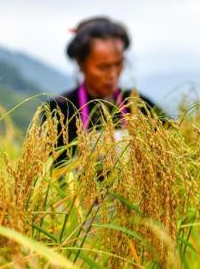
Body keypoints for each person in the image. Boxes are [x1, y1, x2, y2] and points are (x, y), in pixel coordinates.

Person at [42, 16, 167, 167]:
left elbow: (169, 148)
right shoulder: (61, 109)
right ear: (81, 64)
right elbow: (52, 169)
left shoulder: (138, 104)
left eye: (118, 64)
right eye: (103, 67)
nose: (113, 75)